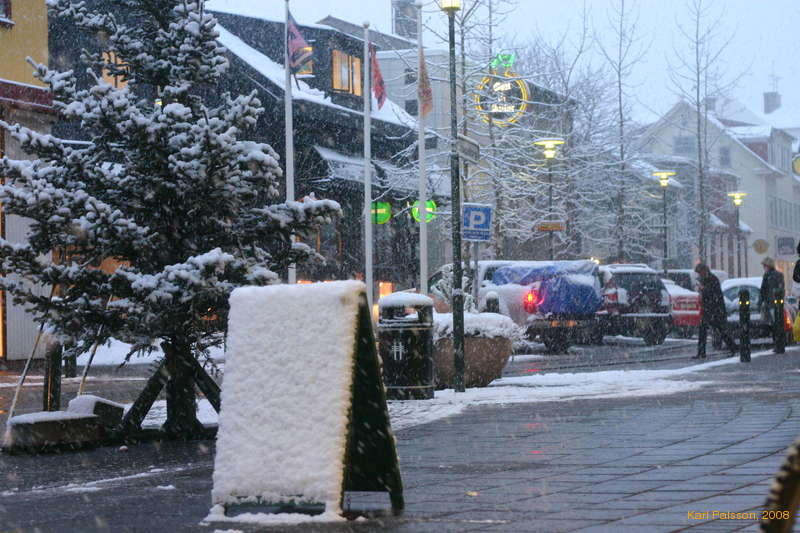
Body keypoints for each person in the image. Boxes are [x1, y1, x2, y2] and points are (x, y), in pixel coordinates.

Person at [694, 263, 737, 358]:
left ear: (704, 271)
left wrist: (704, 289)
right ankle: (701, 352)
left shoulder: (712, 279)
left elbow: (714, 294)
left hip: (715, 310)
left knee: (721, 330)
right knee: (703, 330)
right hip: (708, 309)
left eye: (699, 272)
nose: (699, 275)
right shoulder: (705, 280)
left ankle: (733, 347)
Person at [759, 256, 785, 351]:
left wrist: (775, 295)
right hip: (769, 304)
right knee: (773, 324)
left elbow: (780, 289)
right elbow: (763, 290)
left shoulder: (777, 275)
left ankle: (779, 344)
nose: (764, 268)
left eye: (765, 266)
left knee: (776, 324)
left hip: (774, 304)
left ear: (769, 266)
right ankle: (777, 344)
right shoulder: (766, 276)